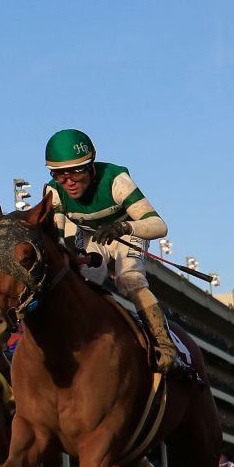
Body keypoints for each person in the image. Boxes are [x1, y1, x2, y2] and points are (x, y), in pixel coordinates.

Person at [43, 129, 183, 375]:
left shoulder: (116, 180)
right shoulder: (53, 191)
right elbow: (55, 239)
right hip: (90, 235)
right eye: (60, 174)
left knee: (130, 279)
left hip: (127, 232)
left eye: (76, 171)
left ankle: (165, 345)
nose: (69, 182)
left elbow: (160, 226)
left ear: (91, 166)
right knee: (81, 280)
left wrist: (122, 226)